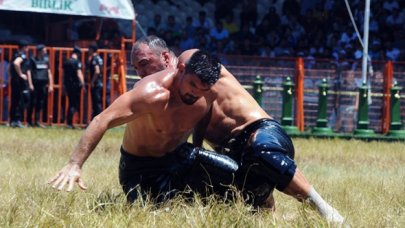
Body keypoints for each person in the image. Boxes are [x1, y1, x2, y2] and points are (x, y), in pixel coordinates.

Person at [131, 36, 345, 224]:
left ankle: (326, 210)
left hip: (263, 133)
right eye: (136, 69)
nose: (141, 73)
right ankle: (271, 213)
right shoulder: (167, 97)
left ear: (167, 58)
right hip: (234, 154)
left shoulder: (194, 61)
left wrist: (193, 147)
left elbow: (206, 102)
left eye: (144, 64)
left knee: (260, 151)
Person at [48, 50, 239, 204]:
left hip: (179, 157)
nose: (195, 94)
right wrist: (75, 164)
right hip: (140, 168)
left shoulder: (208, 93)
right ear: (181, 69)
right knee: (160, 208)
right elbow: (101, 120)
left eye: (203, 90)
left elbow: (203, 114)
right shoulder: (151, 94)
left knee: (236, 176)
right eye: (192, 85)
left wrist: (198, 145)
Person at [27, 44, 54, 128]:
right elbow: (29, 72)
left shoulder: (46, 60)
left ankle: (37, 121)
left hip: (43, 84)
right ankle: (29, 121)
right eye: (44, 50)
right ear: (39, 51)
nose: (45, 52)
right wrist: (30, 84)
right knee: (32, 102)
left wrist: (51, 84)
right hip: (35, 84)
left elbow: (49, 72)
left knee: (40, 102)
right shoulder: (32, 60)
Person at [9, 40, 30, 128]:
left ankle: (13, 120)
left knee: (15, 100)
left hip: (15, 80)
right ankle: (17, 120)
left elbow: (11, 68)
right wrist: (21, 74)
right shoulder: (22, 55)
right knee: (19, 100)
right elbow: (16, 63)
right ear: (24, 47)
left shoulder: (15, 54)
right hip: (19, 81)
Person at [63, 46, 85, 129]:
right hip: (75, 86)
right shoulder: (77, 62)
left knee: (70, 103)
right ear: (78, 53)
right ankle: (70, 122)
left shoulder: (67, 62)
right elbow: (79, 73)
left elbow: (64, 75)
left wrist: (64, 85)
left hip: (68, 85)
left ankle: (69, 122)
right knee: (74, 104)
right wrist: (83, 84)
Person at [87, 44, 103, 119]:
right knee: (97, 102)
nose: (88, 50)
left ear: (92, 50)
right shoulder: (99, 58)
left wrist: (92, 81)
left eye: (89, 49)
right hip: (99, 82)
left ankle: (98, 120)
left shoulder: (94, 59)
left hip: (96, 83)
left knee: (96, 103)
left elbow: (97, 71)